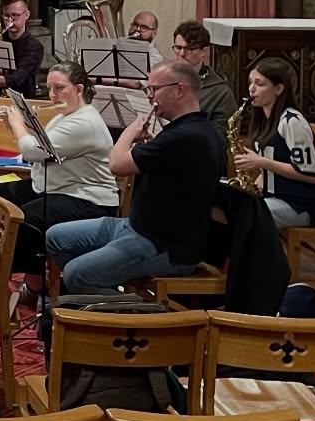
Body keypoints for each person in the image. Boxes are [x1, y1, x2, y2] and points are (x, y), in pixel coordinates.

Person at [46, 59, 226, 294]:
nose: (150, 96)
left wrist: (129, 132)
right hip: (135, 227)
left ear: (180, 90)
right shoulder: (185, 130)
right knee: (55, 236)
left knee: (76, 274)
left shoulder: (187, 135)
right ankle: (95, 291)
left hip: (165, 245)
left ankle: (132, 311)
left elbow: (116, 164)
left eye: (154, 89)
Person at [0, 63, 119, 307]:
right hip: (54, 187)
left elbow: (34, 151)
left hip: (87, 199)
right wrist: (18, 123)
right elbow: (43, 148)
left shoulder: (84, 122)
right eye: (50, 88)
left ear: (79, 89)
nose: (53, 95)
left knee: (25, 219)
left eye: (59, 88)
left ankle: (35, 285)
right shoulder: (65, 117)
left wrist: (18, 123)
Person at [235, 58, 315, 229]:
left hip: (298, 205)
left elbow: (311, 175)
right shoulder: (264, 121)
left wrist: (261, 162)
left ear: (279, 89)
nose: (251, 89)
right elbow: (267, 173)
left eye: (259, 84)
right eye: (250, 82)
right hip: (273, 198)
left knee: (245, 215)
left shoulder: (292, 121)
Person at [172, 20, 236, 122]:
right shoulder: (165, 79)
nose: (182, 53)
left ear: (203, 51)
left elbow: (220, 130)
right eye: (178, 48)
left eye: (189, 49)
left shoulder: (220, 92)